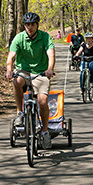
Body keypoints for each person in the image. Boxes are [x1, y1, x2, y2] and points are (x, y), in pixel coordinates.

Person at [6, 12, 55, 149]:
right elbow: (10, 57)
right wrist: (9, 70)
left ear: (37, 25)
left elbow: (51, 54)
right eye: (27, 24)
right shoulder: (19, 38)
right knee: (16, 81)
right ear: (24, 26)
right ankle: (20, 113)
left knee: (42, 101)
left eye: (32, 24)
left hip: (41, 72)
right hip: (23, 71)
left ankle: (45, 132)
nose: (30, 27)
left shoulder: (45, 37)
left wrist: (50, 68)